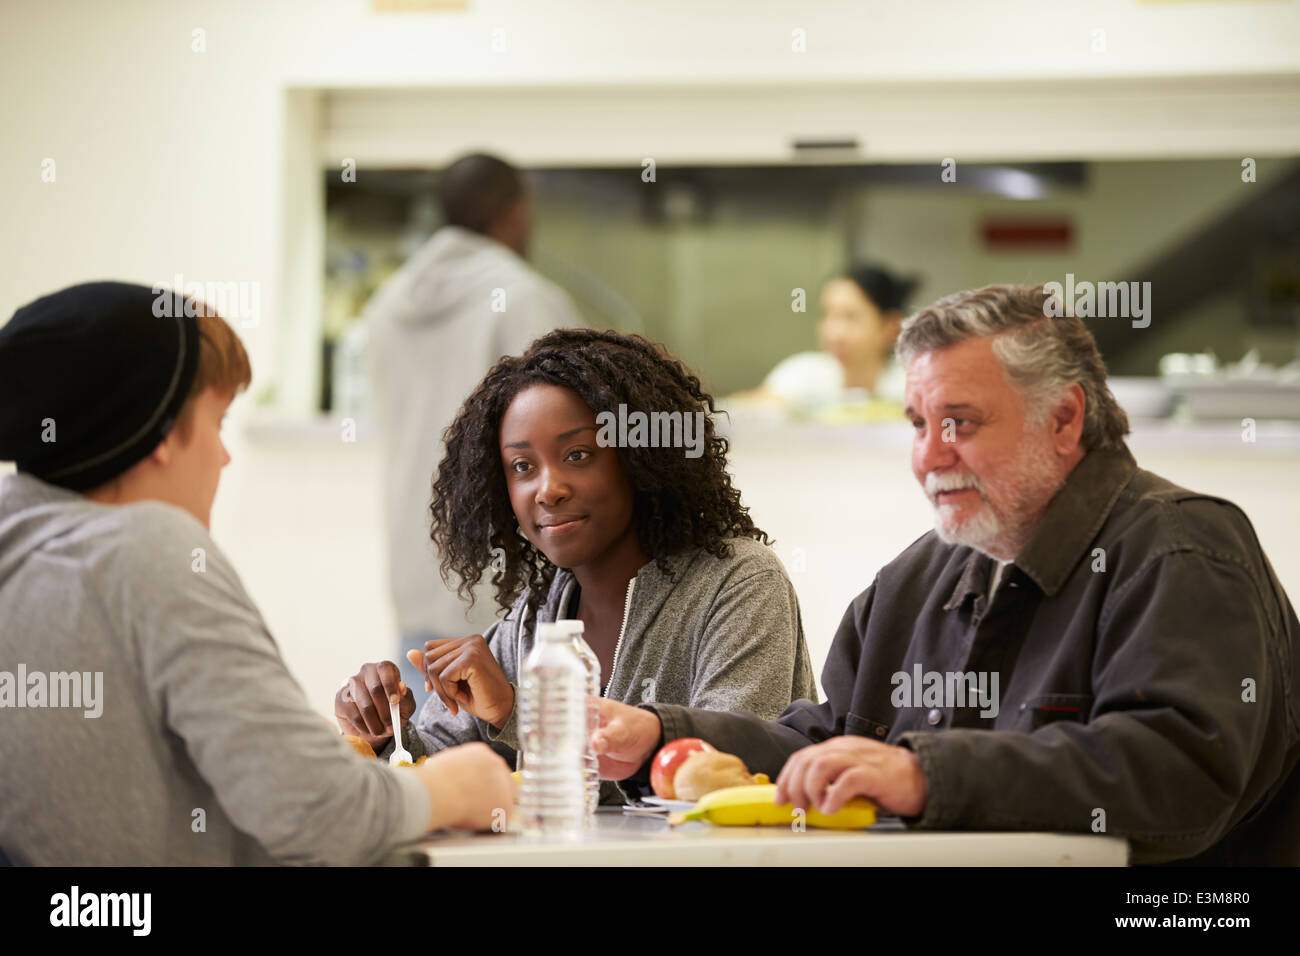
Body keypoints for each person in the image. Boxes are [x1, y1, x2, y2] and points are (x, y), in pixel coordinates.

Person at [592, 283, 1300, 865]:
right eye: (917, 425)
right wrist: (664, 731)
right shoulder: (919, 576)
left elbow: (1179, 775)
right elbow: (828, 741)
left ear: (1063, 418)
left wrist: (925, 774)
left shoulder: (1182, 546)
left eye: (959, 422)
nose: (930, 456)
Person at [0, 282, 511, 865]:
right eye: (216, 422)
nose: (223, 456)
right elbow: (317, 812)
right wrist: (456, 786)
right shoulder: (146, 552)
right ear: (162, 433)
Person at [335, 328, 819, 803]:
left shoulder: (739, 583)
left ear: (639, 458)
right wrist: (386, 735)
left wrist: (516, 709)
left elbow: (722, 771)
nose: (548, 488)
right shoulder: (536, 616)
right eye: (522, 467)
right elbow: (441, 770)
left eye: (578, 455)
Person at [364, 152, 585, 710]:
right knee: (526, 765)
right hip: (504, 581)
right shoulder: (525, 296)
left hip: (417, 562)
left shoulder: (387, 304)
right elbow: (573, 427)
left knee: (424, 760)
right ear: (514, 213)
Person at [748, 264, 919, 407]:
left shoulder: (914, 385)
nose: (833, 332)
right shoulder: (802, 374)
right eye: (827, 315)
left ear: (890, 326)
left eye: (850, 317)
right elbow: (744, 409)